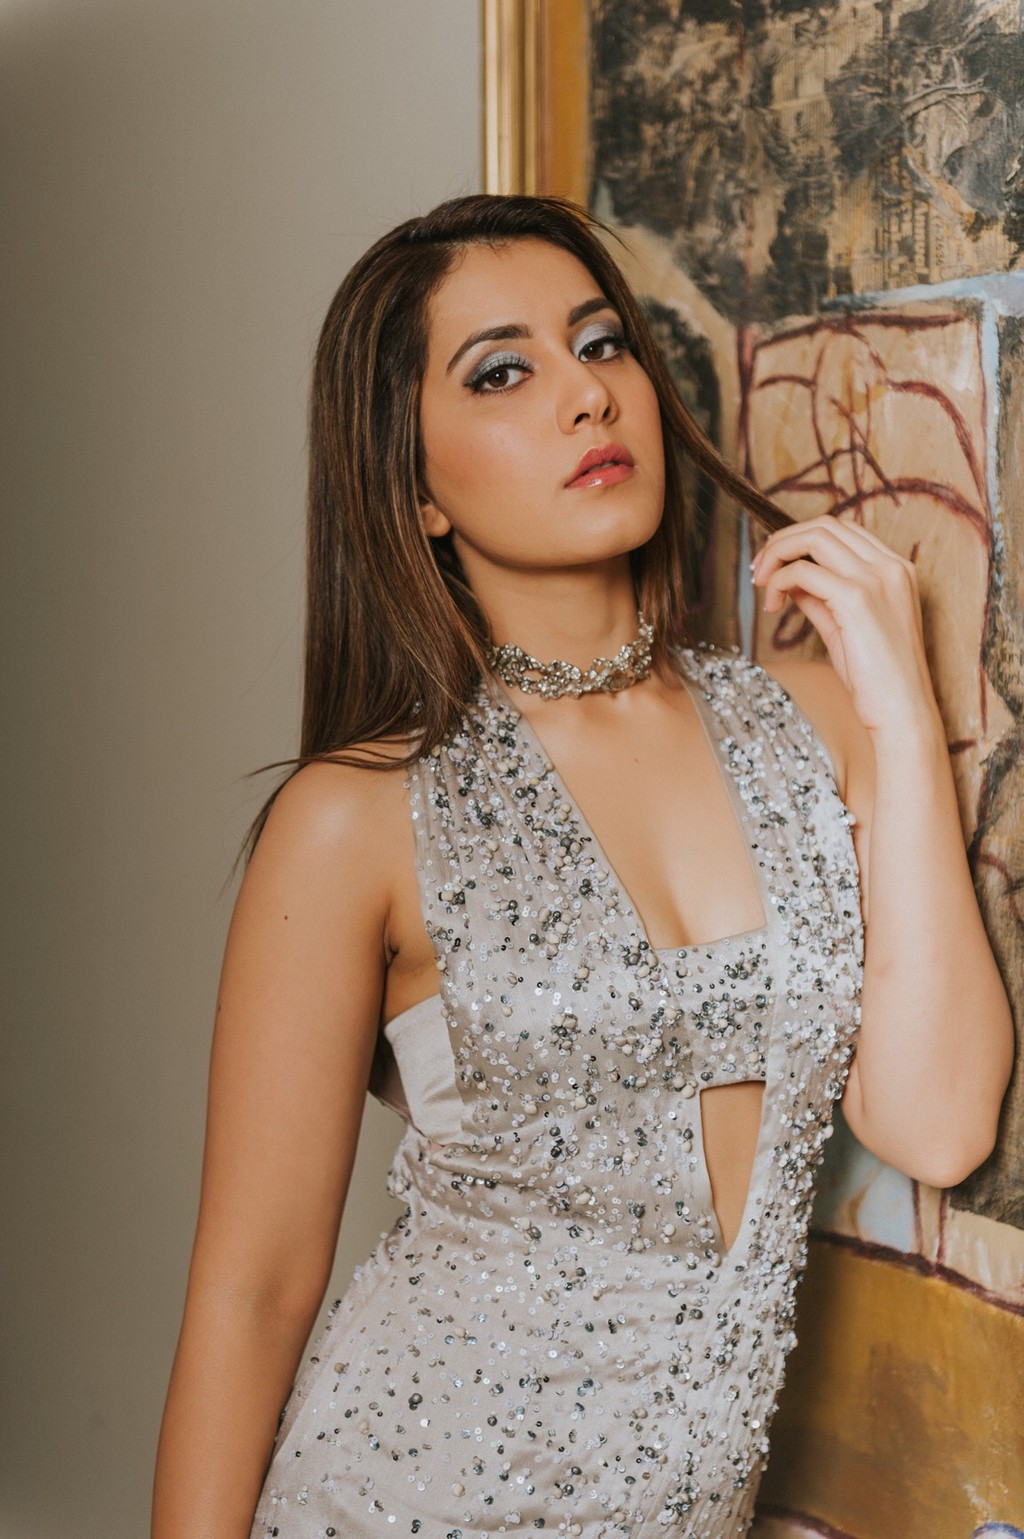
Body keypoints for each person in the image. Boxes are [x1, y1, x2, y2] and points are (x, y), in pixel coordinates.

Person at [152, 194, 1013, 1539]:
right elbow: (252, 1290)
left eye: (602, 344)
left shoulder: (815, 721)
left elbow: (939, 1122)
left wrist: (900, 708)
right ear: (414, 489)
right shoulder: (356, 816)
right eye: (502, 372)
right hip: (392, 1502)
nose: (587, 395)